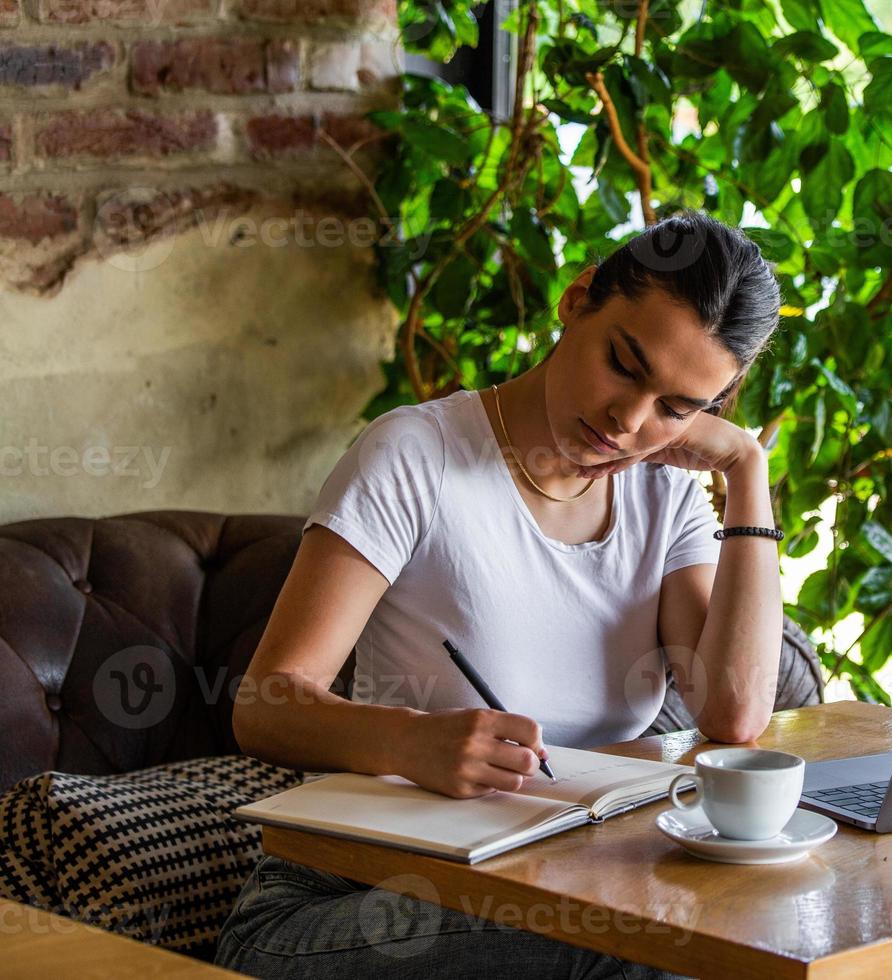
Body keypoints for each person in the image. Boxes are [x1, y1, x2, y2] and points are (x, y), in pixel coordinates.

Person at [215, 210, 786, 978]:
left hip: (556, 878)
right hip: (345, 900)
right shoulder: (415, 456)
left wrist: (747, 477)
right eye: (624, 364)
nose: (629, 420)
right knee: (652, 943)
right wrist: (409, 741)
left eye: (677, 410)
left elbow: (734, 713)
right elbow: (264, 704)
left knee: (770, 917)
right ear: (577, 299)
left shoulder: (666, 498)